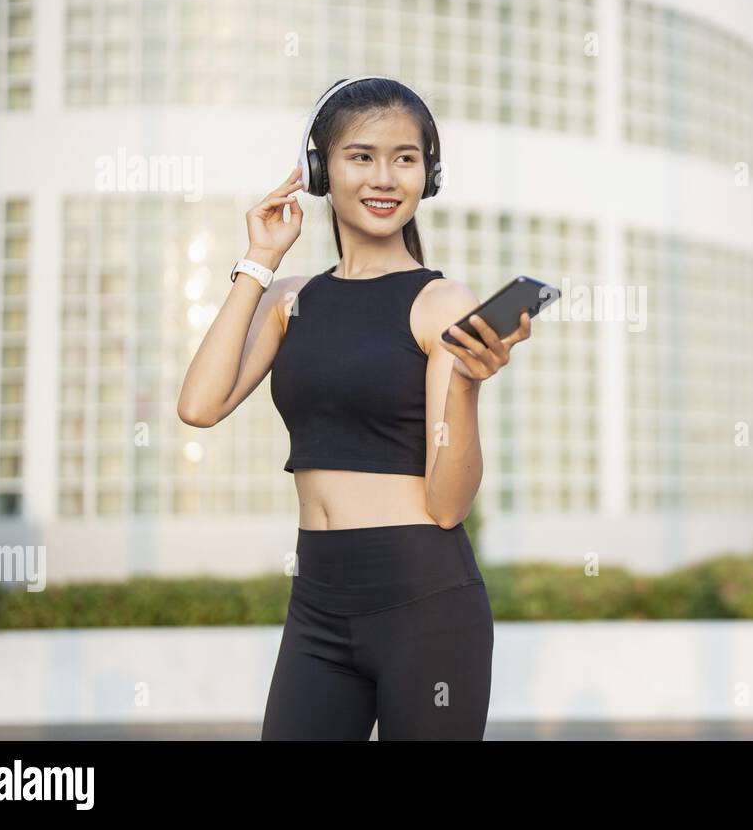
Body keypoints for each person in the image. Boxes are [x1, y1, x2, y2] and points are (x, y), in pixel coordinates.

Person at [176, 77, 531, 739]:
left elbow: (449, 505)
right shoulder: (290, 299)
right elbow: (199, 405)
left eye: (405, 158)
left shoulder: (441, 304)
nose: (385, 177)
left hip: (424, 602)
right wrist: (258, 258)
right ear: (320, 170)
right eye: (360, 156)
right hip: (317, 600)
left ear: (429, 175)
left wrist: (465, 385)